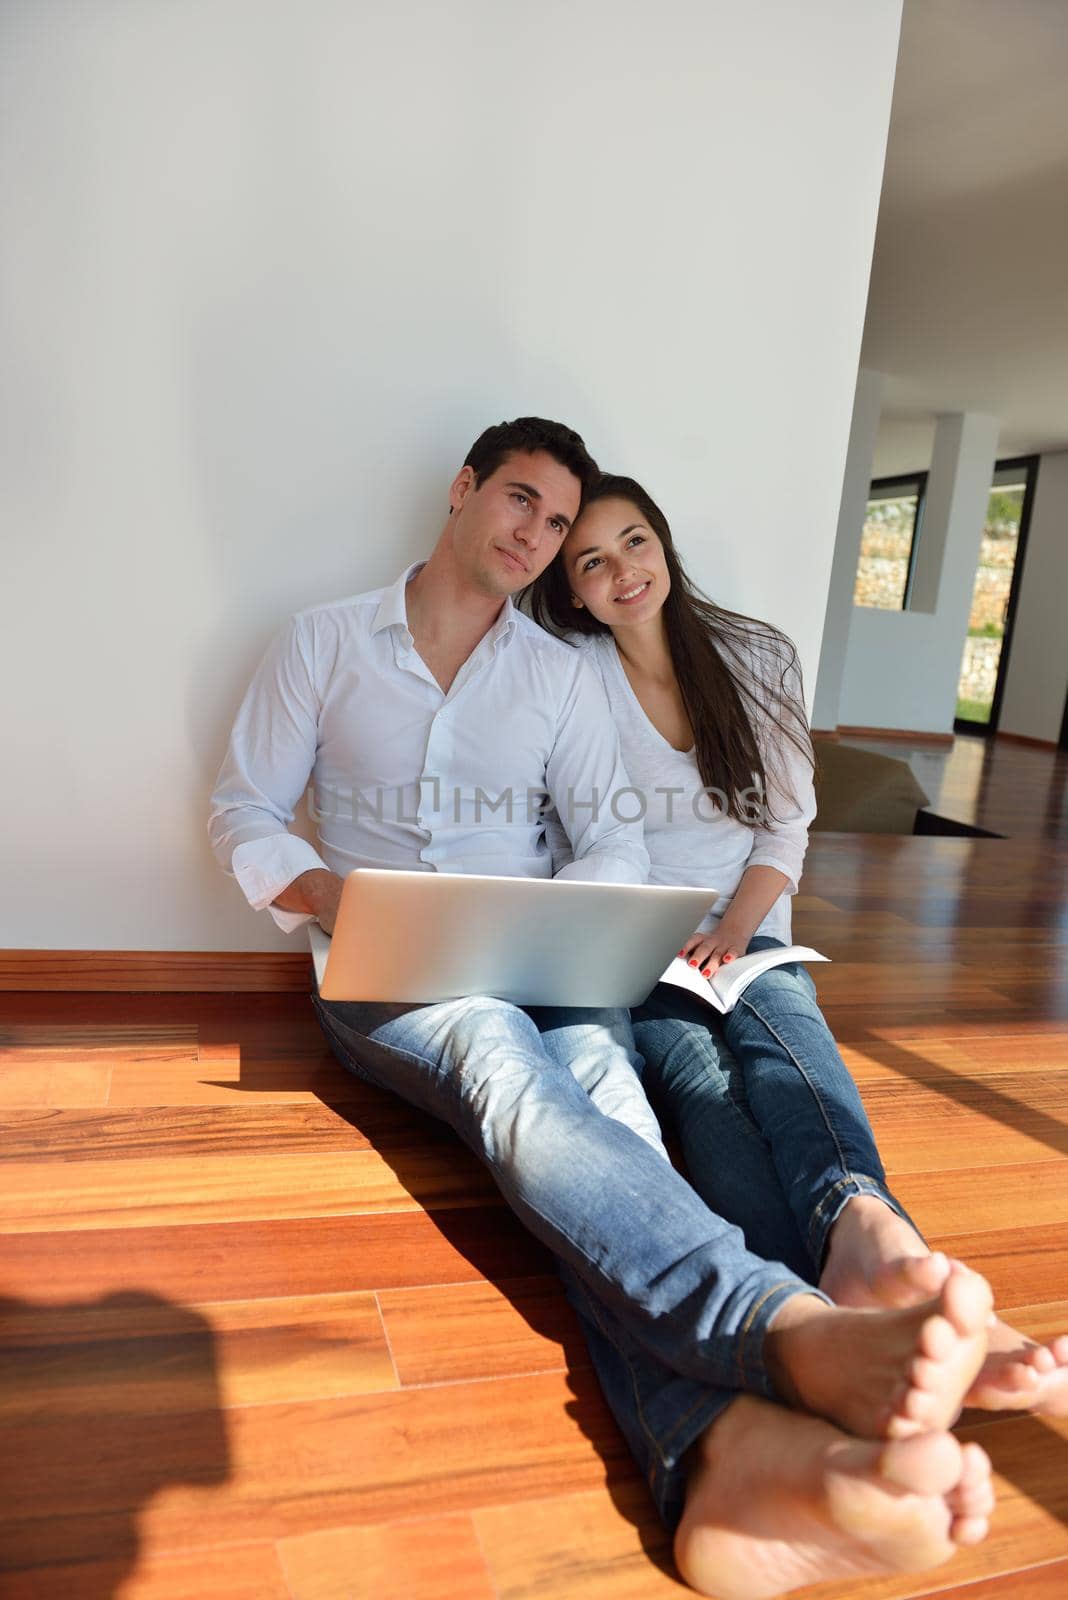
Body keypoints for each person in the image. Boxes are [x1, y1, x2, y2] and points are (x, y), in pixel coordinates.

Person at [210, 421, 997, 1600]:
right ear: (465, 490)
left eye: (555, 523)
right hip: (388, 974)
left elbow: (613, 838)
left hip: (542, 955)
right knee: (504, 1068)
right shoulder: (322, 642)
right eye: (519, 502)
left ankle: (725, 1462)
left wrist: (560, 921)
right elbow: (242, 809)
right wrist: (330, 893)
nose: (533, 535)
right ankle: (781, 1321)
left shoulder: (558, 671)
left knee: (620, 1114)